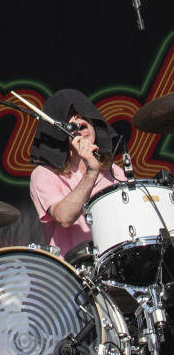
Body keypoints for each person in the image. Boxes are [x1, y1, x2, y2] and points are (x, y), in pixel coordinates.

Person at [28, 88, 126, 259]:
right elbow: (64, 217)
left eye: (83, 114)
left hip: (114, 265)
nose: (78, 119)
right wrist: (91, 172)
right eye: (70, 116)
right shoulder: (43, 174)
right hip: (73, 273)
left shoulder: (113, 170)